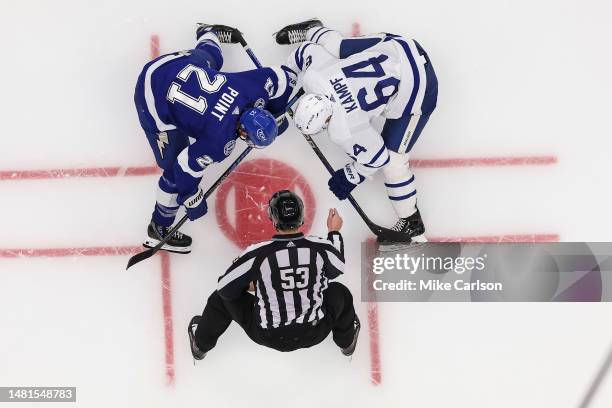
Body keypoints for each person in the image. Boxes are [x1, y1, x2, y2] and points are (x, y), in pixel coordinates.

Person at [134, 24, 296, 253]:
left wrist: (275, 110)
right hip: (151, 94)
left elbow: (284, 77)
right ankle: (158, 227)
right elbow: (184, 166)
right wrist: (190, 195)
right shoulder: (218, 143)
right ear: (243, 132)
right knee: (171, 171)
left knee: (210, 58)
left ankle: (208, 33)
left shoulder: (253, 87)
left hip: (171, 64)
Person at [274, 19, 438, 244]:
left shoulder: (345, 128)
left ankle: (411, 221)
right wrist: (286, 84)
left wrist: (351, 175)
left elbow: (377, 158)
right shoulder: (316, 75)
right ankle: (315, 30)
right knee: (339, 47)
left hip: (419, 85)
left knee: (394, 161)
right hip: (400, 46)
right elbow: (303, 52)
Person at [188, 190, 360, 359]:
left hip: (267, 334)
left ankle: (201, 345)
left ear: (273, 218)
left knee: (220, 299)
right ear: (302, 216)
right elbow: (337, 268)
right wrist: (334, 231)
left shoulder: (258, 253)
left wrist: (254, 285)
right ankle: (346, 343)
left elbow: (225, 288)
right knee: (340, 292)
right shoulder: (320, 248)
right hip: (314, 331)